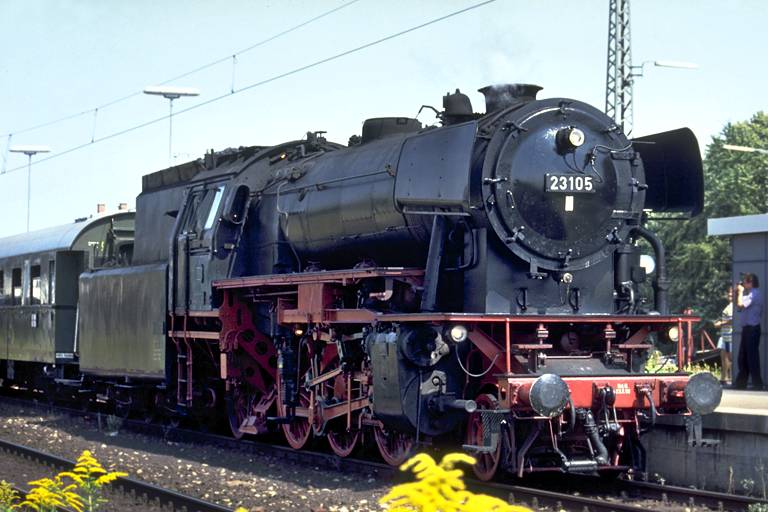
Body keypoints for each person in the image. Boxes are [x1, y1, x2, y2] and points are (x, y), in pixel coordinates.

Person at [734, 273, 764, 390]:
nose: (743, 283)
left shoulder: (755, 294)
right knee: (743, 357)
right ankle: (741, 383)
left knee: (752, 357)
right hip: (747, 329)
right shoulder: (750, 294)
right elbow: (739, 306)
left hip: (752, 329)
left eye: (745, 282)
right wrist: (738, 293)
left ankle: (757, 384)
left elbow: (741, 304)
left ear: (750, 282)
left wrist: (740, 292)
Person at [714, 286, 734, 381]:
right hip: (726, 335)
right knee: (724, 357)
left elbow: (731, 320)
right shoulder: (729, 306)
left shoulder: (731, 307)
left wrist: (720, 324)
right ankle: (724, 377)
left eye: (732, 293)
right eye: (728, 292)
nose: (729, 294)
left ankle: (726, 378)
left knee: (728, 358)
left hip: (729, 335)